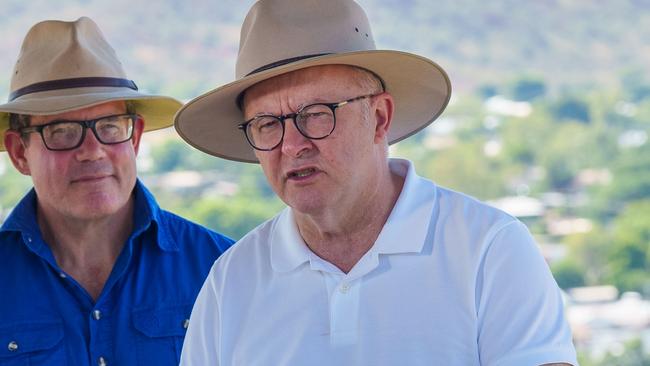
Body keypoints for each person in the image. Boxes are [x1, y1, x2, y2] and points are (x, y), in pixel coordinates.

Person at [175, 0, 577, 365]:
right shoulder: (232, 280)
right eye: (267, 124)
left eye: (316, 114)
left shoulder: (490, 250)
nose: (293, 145)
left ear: (380, 118)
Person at [0, 17, 233, 365]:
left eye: (110, 127)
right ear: (20, 152)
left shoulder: (222, 269)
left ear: (135, 138)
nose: (93, 150)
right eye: (62, 131)